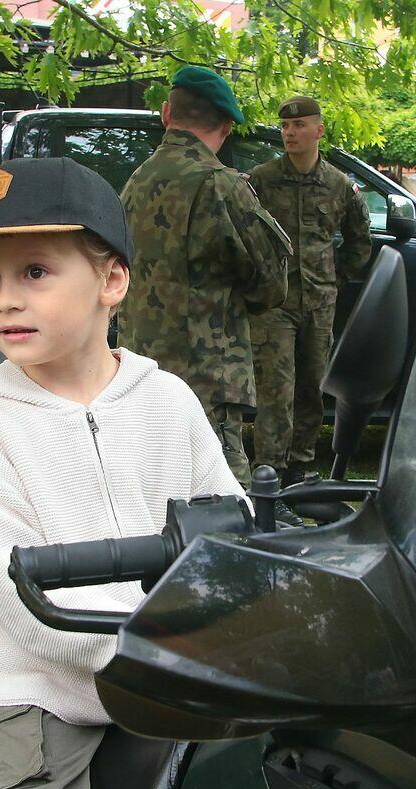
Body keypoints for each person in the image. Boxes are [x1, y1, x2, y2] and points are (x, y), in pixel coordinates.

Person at [0, 157, 246, 789]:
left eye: (34, 272)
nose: (4, 299)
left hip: (172, 664)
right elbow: (11, 592)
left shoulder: (168, 399)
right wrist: (148, 658)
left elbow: (228, 520)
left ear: (111, 281)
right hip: (43, 685)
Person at [119, 66, 293, 487]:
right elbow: (272, 285)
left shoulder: (135, 182)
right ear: (227, 126)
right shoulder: (220, 184)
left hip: (139, 369)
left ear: (166, 113)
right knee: (223, 499)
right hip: (206, 376)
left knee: (156, 488)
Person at [247, 95, 372, 522]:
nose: (290, 133)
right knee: (276, 391)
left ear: (319, 130)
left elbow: (359, 241)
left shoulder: (339, 185)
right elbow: (242, 234)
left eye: (299, 125)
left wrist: (335, 278)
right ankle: (269, 477)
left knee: (312, 388)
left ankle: (300, 469)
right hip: (275, 303)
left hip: (319, 302)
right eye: (285, 126)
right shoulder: (261, 181)